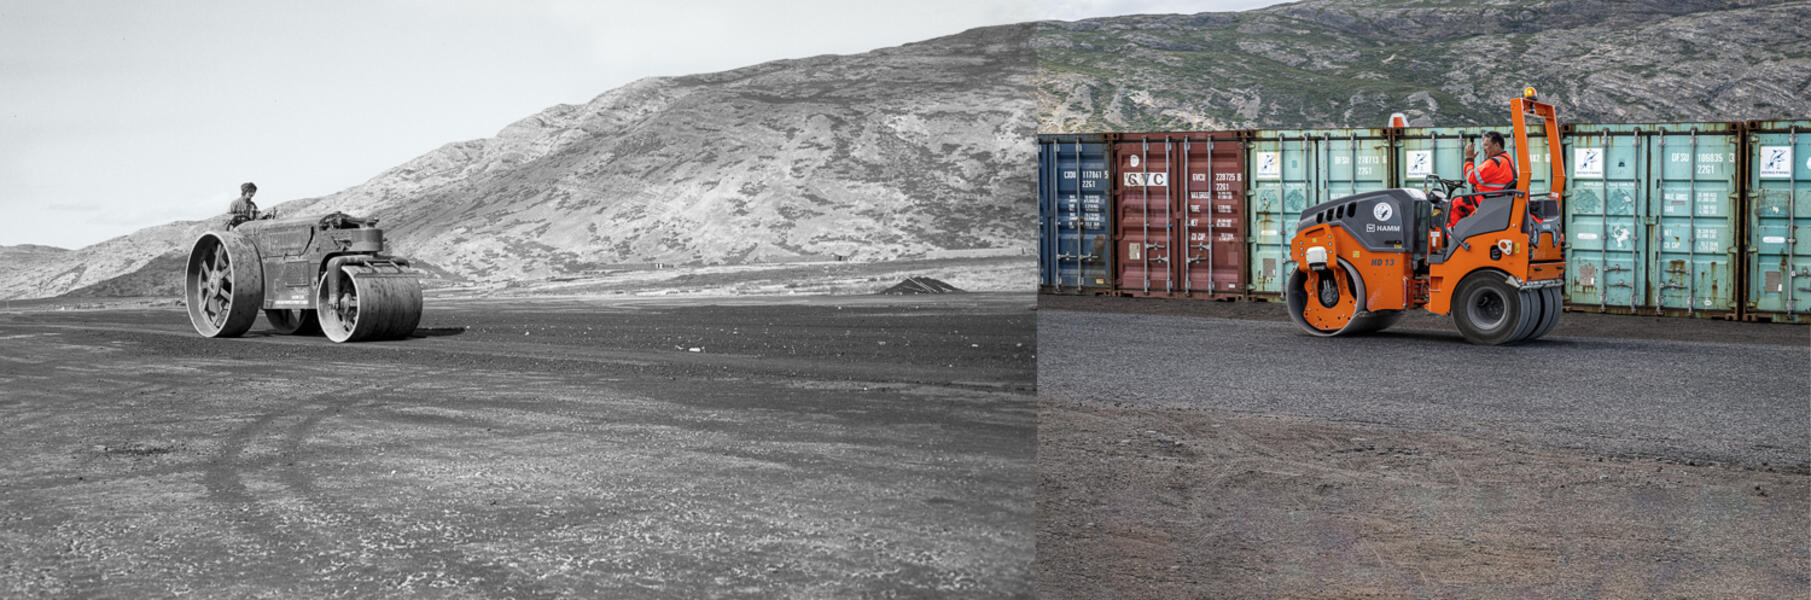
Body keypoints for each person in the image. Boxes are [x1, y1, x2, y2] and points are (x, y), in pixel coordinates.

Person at [1447, 132, 1519, 227]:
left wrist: (1468, 160)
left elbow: (1471, 177)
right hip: (1498, 200)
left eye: (1486, 145)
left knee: (1453, 204)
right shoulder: (1507, 160)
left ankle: (1452, 237)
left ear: (1496, 145)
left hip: (1487, 201)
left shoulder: (1494, 163)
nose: (1484, 149)